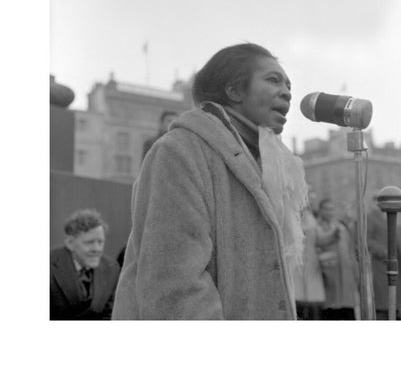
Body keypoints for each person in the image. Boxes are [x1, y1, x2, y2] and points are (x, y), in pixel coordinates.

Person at [112, 43, 309, 320]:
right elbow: (175, 285)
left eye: (289, 84)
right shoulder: (179, 150)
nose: (287, 92)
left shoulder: (268, 164)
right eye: (273, 80)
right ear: (234, 90)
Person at [50, 209, 120, 320]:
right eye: (89, 242)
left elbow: (109, 315)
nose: (97, 249)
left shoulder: (112, 268)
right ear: (70, 243)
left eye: (100, 242)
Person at [315, 198, 359, 320]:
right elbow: (320, 242)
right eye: (326, 209)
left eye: (332, 209)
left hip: (346, 276)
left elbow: (350, 250)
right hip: (328, 277)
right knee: (331, 312)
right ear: (321, 210)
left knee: (347, 311)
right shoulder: (315, 227)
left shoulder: (341, 227)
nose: (330, 212)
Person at [366, 197, 401, 320]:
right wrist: (384, 252)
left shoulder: (393, 214)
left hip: (397, 261)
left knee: (396, 298)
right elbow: (367, 240)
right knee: (383, 300)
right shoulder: (371, 217)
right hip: (381, 263)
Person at [293, 190, 326, 320]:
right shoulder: (294, 217)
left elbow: (319, 237)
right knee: (298, 291)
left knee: (312, 294)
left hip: (311, 259)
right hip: (297, 259)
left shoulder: (311, 218)